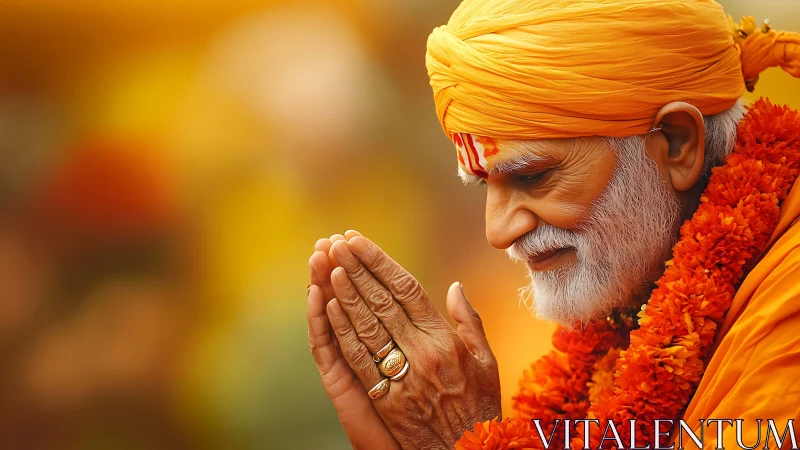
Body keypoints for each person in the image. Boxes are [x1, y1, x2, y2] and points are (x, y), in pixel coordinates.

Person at [306, 1, 800, 448]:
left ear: (676, 143)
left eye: (533, 176)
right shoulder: (631, 304)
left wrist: (461, 438)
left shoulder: (788, 312)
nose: (497, 233)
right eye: (484, 186)